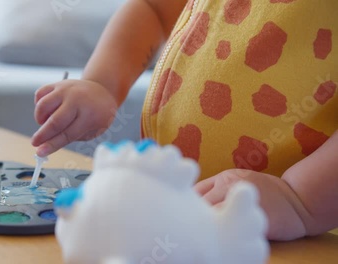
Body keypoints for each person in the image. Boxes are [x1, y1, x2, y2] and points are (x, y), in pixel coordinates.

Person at [31, 0, 338, 241]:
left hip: (301, 236)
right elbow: (154, 10)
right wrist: (102, 85)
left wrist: (299, 200)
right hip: (181, 217)